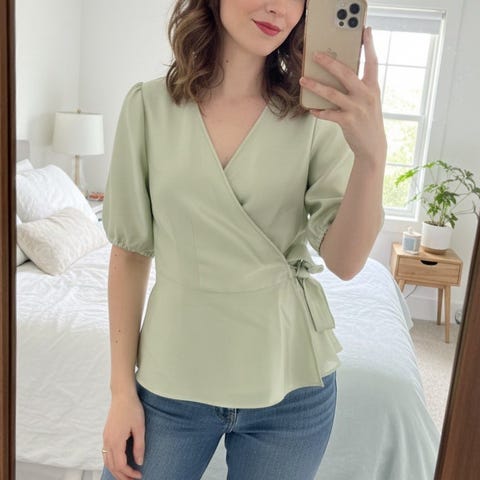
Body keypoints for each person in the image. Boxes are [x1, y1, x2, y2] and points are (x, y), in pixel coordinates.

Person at [100, 0, 387, 477]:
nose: (277, 7)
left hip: (292, 385)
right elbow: (129, 252)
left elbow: (346, 262)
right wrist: (120, 392)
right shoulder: (148, 107)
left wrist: (372, 157)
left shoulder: (316, 116)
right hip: (171, 380)